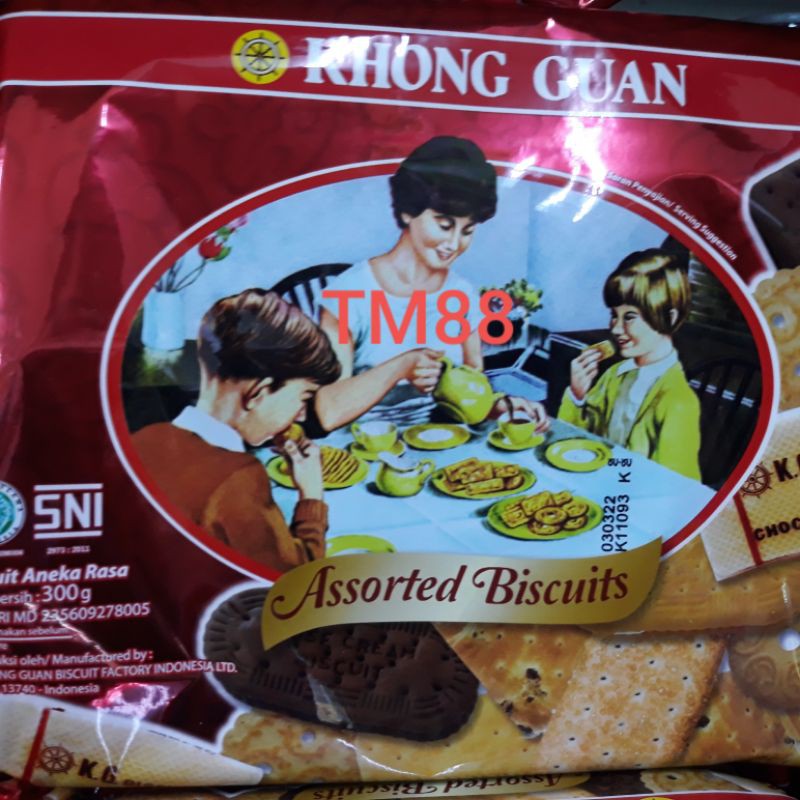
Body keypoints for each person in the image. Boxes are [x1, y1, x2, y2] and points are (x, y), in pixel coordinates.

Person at [315, 135, 548, 431]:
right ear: (407, 211)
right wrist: (403, 365)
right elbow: (329, 411)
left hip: (442, 441)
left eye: (467, 230)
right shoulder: (349, 294)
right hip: (364, 445)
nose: (454, 244)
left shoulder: (461, 294)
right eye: (444, 225)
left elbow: (472, 393)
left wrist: (502, 404)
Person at [132, 289, 341, 572]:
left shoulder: (145, 438)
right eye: (304, 398)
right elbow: (296, 579)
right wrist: (311, 495)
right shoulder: (239, 477)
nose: (302, 415)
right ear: (259, 392)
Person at [558, 249, 701, 480]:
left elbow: (676, 486)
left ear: (669, 318)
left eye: (630, 317)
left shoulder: (678, 402)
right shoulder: (615, 374)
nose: (615, 328)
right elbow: (573, 441)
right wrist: (577, 395)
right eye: (614, 315)